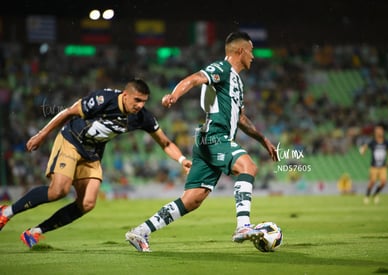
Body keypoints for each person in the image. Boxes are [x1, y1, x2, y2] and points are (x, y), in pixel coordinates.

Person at [125, 31, 278, 252]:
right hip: (215, 136)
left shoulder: (237, 82)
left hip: (209, 140)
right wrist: (174, 95)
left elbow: (241, 118)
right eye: (251, 51)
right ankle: (243, 227)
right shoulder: (223, 69)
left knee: (193, 199)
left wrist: (263, 139)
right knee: (248, 166)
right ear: (240, 51)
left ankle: (141, 231)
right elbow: (195, 78)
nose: (253, 56)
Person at [0, 78, 192, 248]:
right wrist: (42, 135)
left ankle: (35, 232)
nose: (141, 106)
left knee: (88, 203)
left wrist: (182, 159)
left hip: (92, 153)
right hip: (72, 141)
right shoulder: (104, 99)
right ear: (126, 95)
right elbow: (68, 112)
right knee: (58, 191)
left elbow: (165, 142)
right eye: (137, 100)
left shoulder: (142, 117)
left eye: (144, 102)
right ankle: (6, 212)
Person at [359, 124, 388, 204]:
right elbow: (365, 147)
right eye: (378, 131)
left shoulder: (385, 142)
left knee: (384, 182)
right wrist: (363, 150)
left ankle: (375, 194)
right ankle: (367, 196)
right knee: (372, 182)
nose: (380, 132)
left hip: (383, 166)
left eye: (381, 130)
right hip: (374, 166)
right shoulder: (373, 142)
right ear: (375, 133)